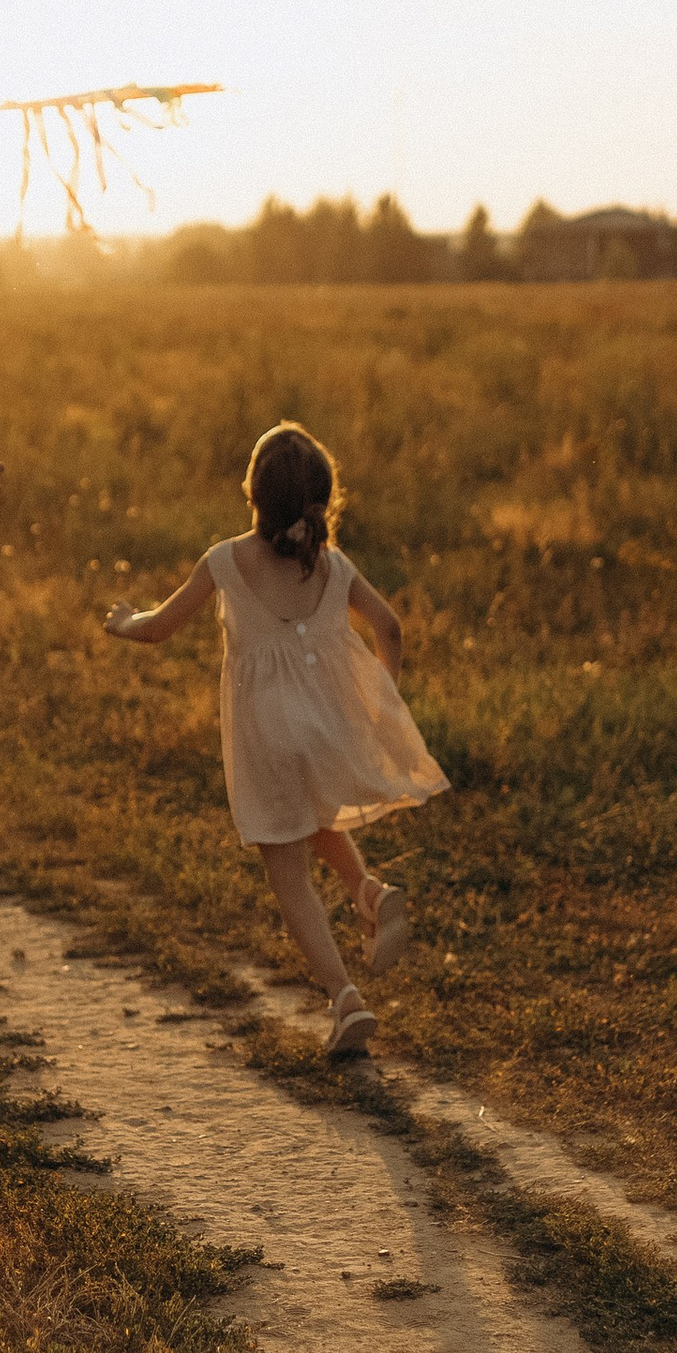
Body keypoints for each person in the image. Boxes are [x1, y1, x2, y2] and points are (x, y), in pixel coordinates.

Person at [106, 420, 445, 1057]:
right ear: (322, 500)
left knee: (288, 875)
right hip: (325, 725)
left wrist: (125, 622)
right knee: (314, 815)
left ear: (253, 496)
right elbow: (391, 628)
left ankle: (344, 997)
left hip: (265, 736)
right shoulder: (335, 567)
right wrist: (381, 703)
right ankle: (368, 892)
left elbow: (159, 628)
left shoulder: (224, 561)